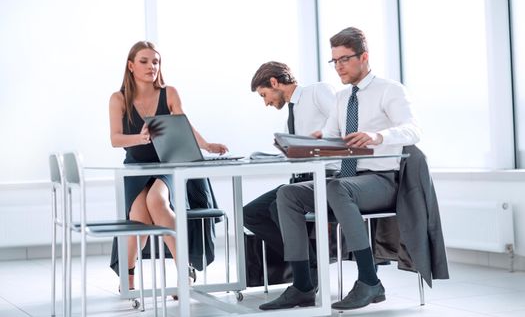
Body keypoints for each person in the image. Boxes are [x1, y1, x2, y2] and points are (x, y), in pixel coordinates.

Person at [259, 27, 421, 311]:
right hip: (350, 182)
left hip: (383, 181)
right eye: (334, 61)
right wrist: (302, 143)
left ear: (364, 57)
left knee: (335, 187)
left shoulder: (389, 90)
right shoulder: (343, 98)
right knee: (287, 194)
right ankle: (303, 286)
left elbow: (412, 130)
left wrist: (378, 136)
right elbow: (329, 136)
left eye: (344, 59)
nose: (338, 67)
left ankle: (370, 281)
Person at [108, 40, 228, 291]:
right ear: (131, 66)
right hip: (137, 167)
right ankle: (128, 280)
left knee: (157, 201)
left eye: (155, 61)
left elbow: (184, 125)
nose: (151, 66)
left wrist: (206, 145)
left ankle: (184, 270)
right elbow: (115, 139)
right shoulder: (118, 98)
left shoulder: (169, 93)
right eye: (144, 61)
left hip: (167, 163)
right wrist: (139, 139)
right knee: (138, 218)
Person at [243, 61, 336, 285]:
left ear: (274, 82)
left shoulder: (316, 92)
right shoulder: (290, 118)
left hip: (328, 177)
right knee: (249, 213)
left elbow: (343, 122)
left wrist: (318, 139)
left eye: (264, 94)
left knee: (279, 206)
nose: (266, 102)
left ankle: (306, 275)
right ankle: (311, 260)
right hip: (301, 180)